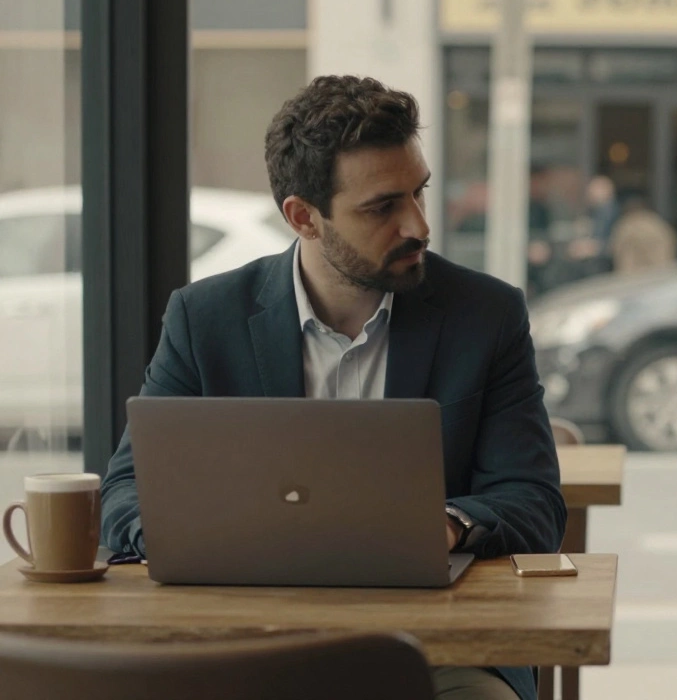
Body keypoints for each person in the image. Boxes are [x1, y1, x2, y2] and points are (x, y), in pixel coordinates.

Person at [100, 75, 566, 700]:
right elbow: (124, 492)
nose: (419, 226)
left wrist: (449, 525)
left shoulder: (486, 315)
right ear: (303, 217)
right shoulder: (204, 317)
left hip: (435, 654)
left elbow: (534, 500)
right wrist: (200, 534)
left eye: (419, 193)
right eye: (383, 207)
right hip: (242, 646)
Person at [608, 197, 677, 275]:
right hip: (658, 272)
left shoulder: (625, 225)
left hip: (631, 274)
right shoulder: (657, 223)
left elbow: (615, 247)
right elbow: (670, 243)